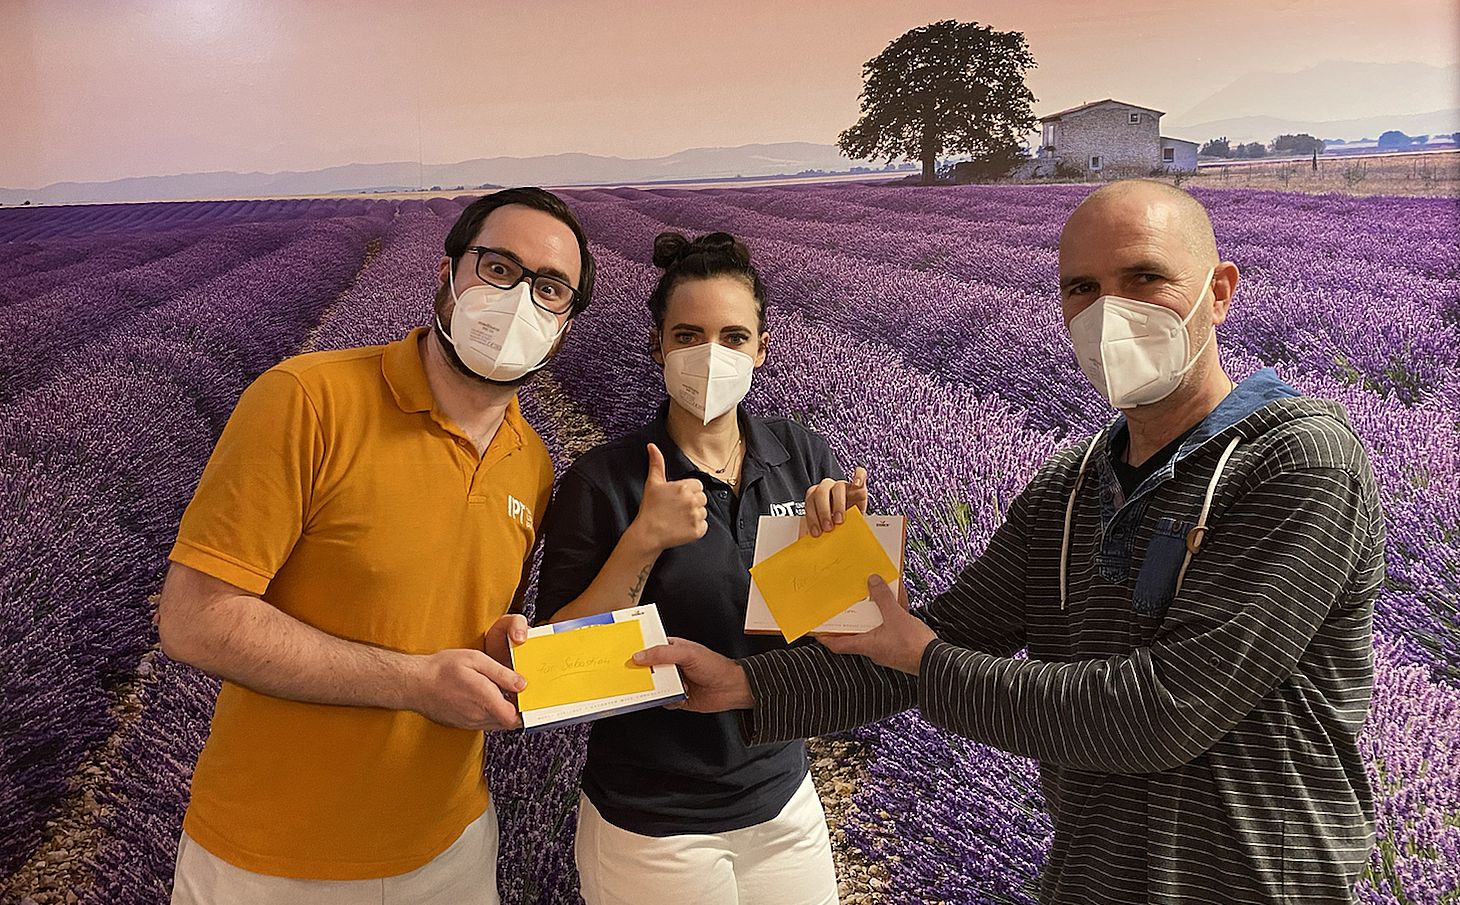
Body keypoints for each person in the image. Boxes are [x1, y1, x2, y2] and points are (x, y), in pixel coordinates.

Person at [637, 180, 1386, 904]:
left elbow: (1166, 709)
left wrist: (926, 660)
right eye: (1083, 288)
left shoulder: (1296, 462)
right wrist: (743, 685)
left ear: (1218, 292)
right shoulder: (1072, 486)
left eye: (1145, 277)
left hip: (1254, 883)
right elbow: (937, 636)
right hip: (1091, 873)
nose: (1109, 311)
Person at [155, 187, 596, 904]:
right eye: (498, 269)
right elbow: (194, 620)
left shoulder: (533, 462)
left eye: (549, 289)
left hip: (452, 846)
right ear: (447, 275)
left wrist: (501, 647)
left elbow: (454, 617)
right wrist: (413, 683)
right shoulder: (306, 398)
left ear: (564, 327)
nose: (519, 300)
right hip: (273, 859)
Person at [534, 231, 860, 905]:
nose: (712, 355)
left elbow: (849, 639)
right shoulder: (605, 481)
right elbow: (556, 677)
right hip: (654, 823)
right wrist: (641, 543)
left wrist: (849, 556)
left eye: (734, 337)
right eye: (688, 335)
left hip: (782, 799)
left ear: (762, 348)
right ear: (657, 346)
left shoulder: (800, 455)